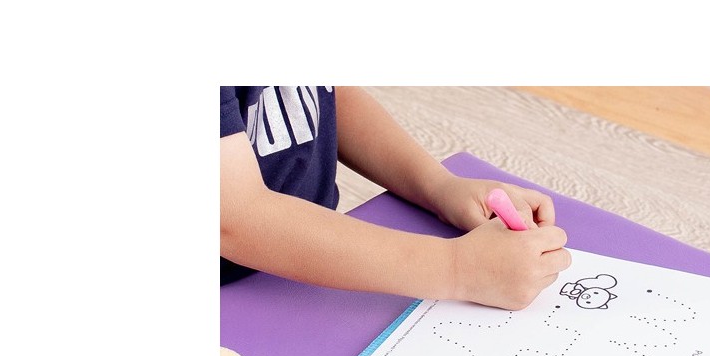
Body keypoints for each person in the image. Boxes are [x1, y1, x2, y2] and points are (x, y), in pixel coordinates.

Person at [220, 86, 570, 309]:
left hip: (310, 263)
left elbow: (330, 97)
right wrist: (459, 268)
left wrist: (437, 186)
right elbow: (235, 219)